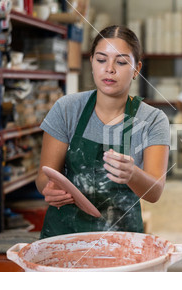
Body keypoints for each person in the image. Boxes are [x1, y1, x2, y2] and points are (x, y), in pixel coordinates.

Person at [35, 25, 170, 239]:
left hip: (121, 240)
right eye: (101, 59)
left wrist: (132, 174)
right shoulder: (67, 109)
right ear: (91, 62)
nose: (109, 69)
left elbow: (155, 192)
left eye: (121, 61)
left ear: (137, 69)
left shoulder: (153, 119)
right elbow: (44, 175)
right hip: (64, 237)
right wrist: (48, 188)